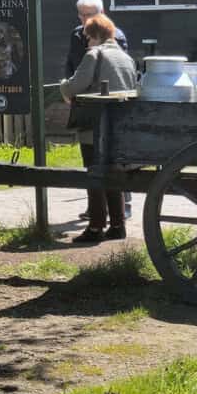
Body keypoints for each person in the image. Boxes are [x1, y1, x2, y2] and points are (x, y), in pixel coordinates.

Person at [60, 14, 137, 244]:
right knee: (113, 176)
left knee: (94, 176)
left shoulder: (94, 55)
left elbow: (75, 86)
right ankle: (117, 225)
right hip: (119, 131)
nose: (86, 42)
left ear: (95, 35)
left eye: (87, 37)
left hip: (95, 128)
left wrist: (64, 87)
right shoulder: (126, 58)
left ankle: (95, 227)